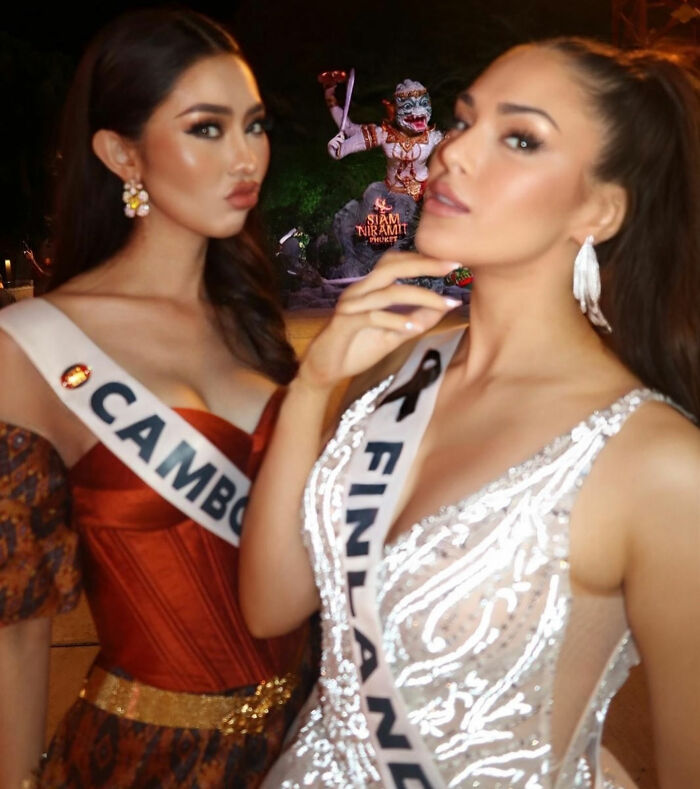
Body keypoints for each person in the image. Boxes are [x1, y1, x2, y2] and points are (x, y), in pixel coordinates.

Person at [240, 37, 700, 788]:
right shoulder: (397, 368)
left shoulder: (657, 463)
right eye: (462, 121)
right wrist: (315, 383)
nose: (451, 154)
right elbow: (271, 605)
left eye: (520, 138)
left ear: (599, 209)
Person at [0, 9, 316, 788]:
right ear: (120, 153)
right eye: (206, 129)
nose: (246, 158)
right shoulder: (32, 346)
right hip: (151, 760)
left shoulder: (251, 320)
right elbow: (16, 630)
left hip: (312, 741)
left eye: (255, 125)